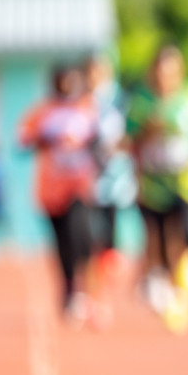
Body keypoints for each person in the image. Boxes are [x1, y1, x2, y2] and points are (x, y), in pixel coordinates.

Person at [127, 44, 188, 332]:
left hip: (187, 181)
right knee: (158, 237)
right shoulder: (142, 101)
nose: (166, 77)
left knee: (185, 236)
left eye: (172, 71)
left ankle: (182, 287)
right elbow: (131, 140)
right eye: (161, 72)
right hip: (153, 183)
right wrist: (151, 127)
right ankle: (162, 284)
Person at [18, 63, 99, 322]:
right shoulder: (43, 112)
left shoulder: (87, 108)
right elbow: (22, 138)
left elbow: (101, 139)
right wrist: (44, 139)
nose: (68, 86)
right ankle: (67, 291)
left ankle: (84, 290)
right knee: (62, 243)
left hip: (80, 185)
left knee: (82, 236)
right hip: (51, 189)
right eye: (63, 81)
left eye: (72, 81)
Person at [85, 53, 136, 325]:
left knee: (109, 247)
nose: (96, 75)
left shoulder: (120, 100)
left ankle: (103, 294)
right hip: (89, 185)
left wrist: (119, 147)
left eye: (100, 70)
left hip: (115, 185)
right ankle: (96, 300)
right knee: (94, 244)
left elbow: (130, 134)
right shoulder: (83, 102)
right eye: (92, 71)